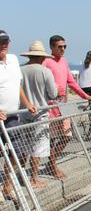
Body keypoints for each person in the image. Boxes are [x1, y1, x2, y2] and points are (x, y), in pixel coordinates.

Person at [43, 35, 91, 179]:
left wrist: (85, 96)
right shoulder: (46, 62)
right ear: (52, 47)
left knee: (67, 135)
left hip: (63, 105)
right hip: (51, 106)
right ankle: (52, 166)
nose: (63, 49)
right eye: (59, 47)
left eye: (64, 46)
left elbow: (71, 82)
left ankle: (51, 164)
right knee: (52, 139)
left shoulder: (64, 61)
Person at [0, 30, 37, 198]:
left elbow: (17, 85)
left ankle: (7, 185)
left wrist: (27, 103)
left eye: (6, 40)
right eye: (1, 41)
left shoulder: (14, 60)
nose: (4, 44)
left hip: (12, 115)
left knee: (19, 151)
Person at [19, 41, 58, 188]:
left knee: (23, 146)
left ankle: (22, 175)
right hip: (40, 114)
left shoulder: (21, 70)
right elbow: (53, 94)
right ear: (42, 57)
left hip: (23, 113)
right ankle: (34, 178)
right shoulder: (45, 71)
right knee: (38, 147)